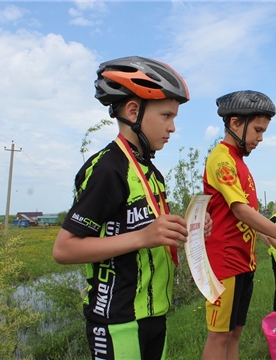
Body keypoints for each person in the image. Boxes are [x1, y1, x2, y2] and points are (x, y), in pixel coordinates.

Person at [52, 56, 213, 360]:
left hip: (154, 314)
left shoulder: (151, 172)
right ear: (133, 111)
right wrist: (143, 237)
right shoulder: (108, 169)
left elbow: (149, 231)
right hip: (117, 320)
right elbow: (64, 250)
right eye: (166, 115)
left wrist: (188, 229)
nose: (173, 127)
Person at [202, 90, 276, 360]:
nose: (260, 138)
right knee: (219, 337)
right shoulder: (222, 159)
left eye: (263, 131)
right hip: (224, 263)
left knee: (235, 335)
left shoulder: (240, 164)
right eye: (257, 130)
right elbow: (241, 211)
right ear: (234, 123)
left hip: (244, 263)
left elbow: (254, 220)